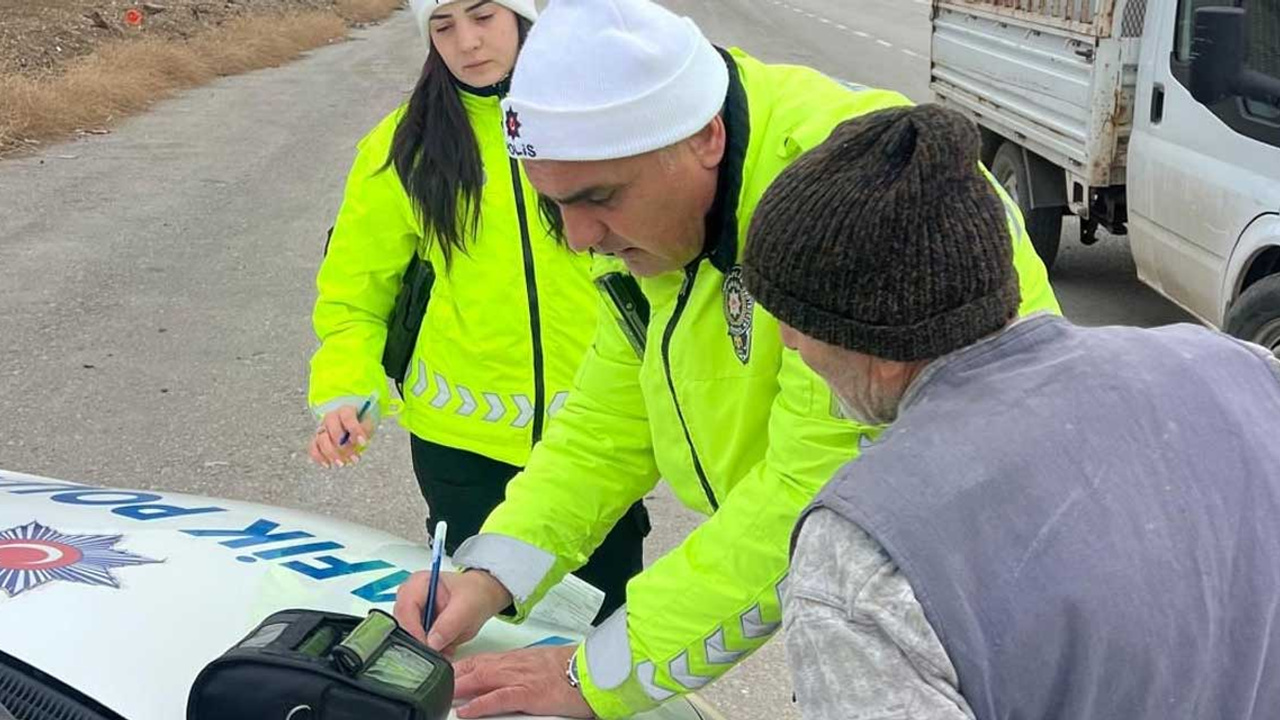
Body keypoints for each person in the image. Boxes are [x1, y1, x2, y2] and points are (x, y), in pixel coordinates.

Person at [392, 1, 1061, 718]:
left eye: (599, 199)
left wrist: (593, 675)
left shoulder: (843, 210)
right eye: (555, 205)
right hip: (862, 584)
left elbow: (815, 495)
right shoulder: (643, 204)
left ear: (706, 137)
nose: (580, 237)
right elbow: (611, 416)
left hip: (979, 600)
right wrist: (492, 572)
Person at [740, 104, 1280, 720]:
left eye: (796, 319)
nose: (785, 340)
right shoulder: (1240, 370)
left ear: (877, 346)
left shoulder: (864, 558)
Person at [306, 0, 647, 620]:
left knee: (605, 619)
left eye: (483, 16)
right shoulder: (402, 147)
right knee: (481, 623)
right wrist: (345, 391)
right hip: (461, 443)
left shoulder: (593, 120)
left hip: (598, 433)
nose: (467, 42)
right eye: (443, 27)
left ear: (522, 17)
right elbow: (355, 293)